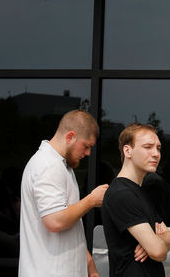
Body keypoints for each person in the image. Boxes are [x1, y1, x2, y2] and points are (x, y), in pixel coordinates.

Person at [19, 109, 108, 277]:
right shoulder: (48, 166)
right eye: (86, 146)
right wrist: (91, 200)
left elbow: (71, 224)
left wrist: (88, 263)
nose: (88, 153)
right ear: (70, 137)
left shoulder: (61, 165)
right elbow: (55, 220)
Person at [102, 123, 170, 277]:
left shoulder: (140, 192)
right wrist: (154, 244)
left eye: (158, 148)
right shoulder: (121, 194)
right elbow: (158, 251)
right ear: (128, 150)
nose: (156, 153)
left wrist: (155, 241)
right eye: (148, 147)